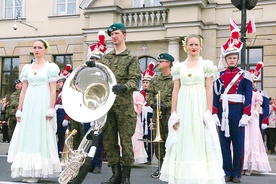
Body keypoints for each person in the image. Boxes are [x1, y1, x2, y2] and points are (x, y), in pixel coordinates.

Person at [159, 34, 225, 184]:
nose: (194, 47)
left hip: (199, 105)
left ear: (200, 46)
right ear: (185, 46)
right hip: (183, 106)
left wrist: (208, 112)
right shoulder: (178, 67)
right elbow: (175, 90)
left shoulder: (206, 65)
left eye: (196, 44)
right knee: (184, 138)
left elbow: (209, 89)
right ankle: (183, 177)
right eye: (191, 45)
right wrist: (173, 113)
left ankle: (200, 177)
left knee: (199, 138)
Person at [87, 23, 141, 184]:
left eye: (117, 33)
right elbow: (99, 73)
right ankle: (115, 174)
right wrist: (92, 66)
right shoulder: (106, 58)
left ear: (124, 35)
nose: (114, 37)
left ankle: (125, 176)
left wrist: (125, 87)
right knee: (109, 142)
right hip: (108, 106)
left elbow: (135, 79)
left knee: (126, 142)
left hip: (124, 107)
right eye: (112, 34)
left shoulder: (131, 58)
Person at [7, 39, 61, 183]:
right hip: (30, 103)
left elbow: (52, 90)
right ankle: (30, 169)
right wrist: (19, 109)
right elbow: (23, 91)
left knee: (40, 134)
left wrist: (51, 108)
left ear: (45, 50)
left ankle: (38, 171)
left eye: (39, 47)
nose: (36, 50)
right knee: (28, 135)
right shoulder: (27, 68)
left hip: (42, 102)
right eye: (35, 47)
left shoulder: (51, 67)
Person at [213, 30, 253, 183]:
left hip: (237, 111)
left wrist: (246, 114)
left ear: (237, 59)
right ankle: (226, 171)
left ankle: (236, 173)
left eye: (234, 58)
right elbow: (215, 96)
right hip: (223, 112)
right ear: (226, 59)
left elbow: (248, 96)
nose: (231, 60)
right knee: (223, 144)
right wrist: (214, 113)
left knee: (238, 144)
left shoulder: (244, 75)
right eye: (229, 58)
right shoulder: (219, 76)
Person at [146, 53, 174, 178]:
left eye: (161, 61)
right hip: (156, 114)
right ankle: (161, 166)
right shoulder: (155, 80)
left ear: (168, 63)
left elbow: (177, 97)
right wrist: (152, 104)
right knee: (158, 141)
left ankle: (171, 166)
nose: (158, 63)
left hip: (169, 114)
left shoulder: (175, 79)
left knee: (171, 140)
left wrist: (166, 105)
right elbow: (149, 94)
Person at [243, 64, 271, 175]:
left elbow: (259, 106)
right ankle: (243, 164)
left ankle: (251, 165)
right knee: (244, 141)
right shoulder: (244, 94)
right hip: (245, 119)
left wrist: (253, 114)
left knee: (253, 141)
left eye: (254, 82)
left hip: (253, 119)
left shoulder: (257, 94)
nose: (253, 84)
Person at [141, 62, 156, 165]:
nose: (145, 84)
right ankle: (144, 156)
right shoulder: (140, 93)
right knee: (142, 136)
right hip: (142, 116)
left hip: (150, 115)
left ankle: (150, 157)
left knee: (151, 136)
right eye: (144, 82)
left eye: (147, 82)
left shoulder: (154, 93)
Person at [55, 64, 72, 157]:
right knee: (58, 133)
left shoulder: (67, 92)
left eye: (60, 82)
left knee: (62, 135)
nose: (58, 83)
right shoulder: (60, 92)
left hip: (63, 114)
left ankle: (60, 151)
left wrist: (66, 118)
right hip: (58, 114)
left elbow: (69, 105)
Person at [132, 91, 148, 164]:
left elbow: (139, 109)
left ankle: (135, 157)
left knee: (135, 137)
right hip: (125, 118)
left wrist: (135, 117)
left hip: (134, 118)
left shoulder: (138, 95)